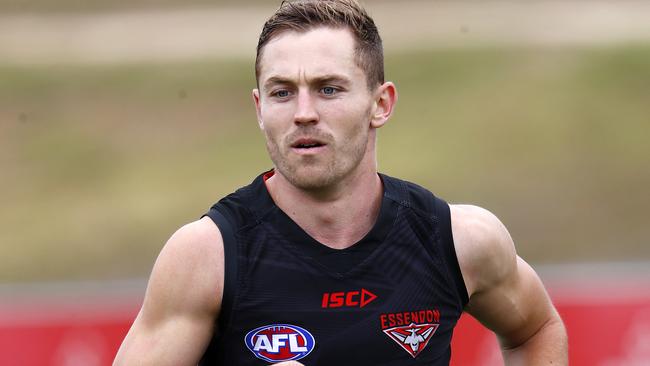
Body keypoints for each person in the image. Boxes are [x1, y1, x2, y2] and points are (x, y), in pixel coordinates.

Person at [114, 0, 568, 365]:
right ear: (258, 108)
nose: (303, 112)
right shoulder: (206, 257)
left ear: (380, 104)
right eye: (282, 91)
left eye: (329, 88)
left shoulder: (458, 240)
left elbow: (536, 330)